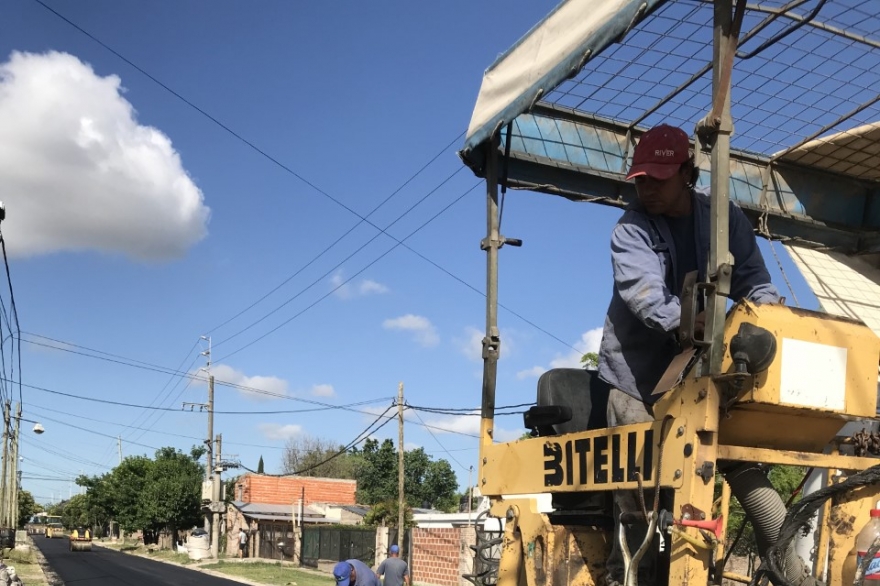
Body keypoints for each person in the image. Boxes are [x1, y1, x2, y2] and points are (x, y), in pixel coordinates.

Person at [597, 124, 780, 586]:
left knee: (732, 467)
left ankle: (771, 563)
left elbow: (755, 281)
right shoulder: (630, 229)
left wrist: (765, 318)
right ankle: (629, 575)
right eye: (641, 178)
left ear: (687, 172)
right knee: (640, 493)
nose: (647, 188)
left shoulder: (724, 220)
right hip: (636, 379)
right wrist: (698, 322)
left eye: (659, 178)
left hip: (706, 378)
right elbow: (647, 299)